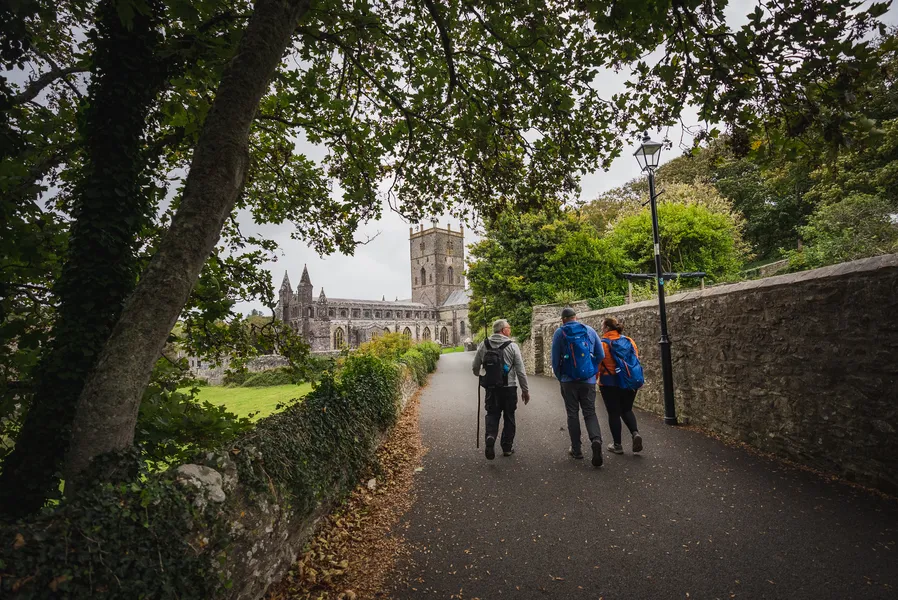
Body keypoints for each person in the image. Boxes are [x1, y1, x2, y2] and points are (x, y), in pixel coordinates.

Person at [551, 307, 605, 467]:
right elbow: (600, 354)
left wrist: (561, 377)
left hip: (568, 381)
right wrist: (593, 371)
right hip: (587, 380)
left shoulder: (560, 333)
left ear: (563, 320)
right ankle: (596, 440)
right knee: (590, 413)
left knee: (572, 414)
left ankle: (577, 449)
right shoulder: (589, 330)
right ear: (576, 317)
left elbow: (554, 360)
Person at [472, 319, 530, 460]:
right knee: (509, 416)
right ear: (503, 330)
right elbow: (520, 371)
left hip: (492, 388)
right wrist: (525, 390)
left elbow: (475, 367)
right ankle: (507, 447)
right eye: (508, 328)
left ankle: (490, 437)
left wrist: (483, 375)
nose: (510, 330)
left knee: (492, 414)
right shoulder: (512, 346)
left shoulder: (483, 345)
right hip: (509, 388)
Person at [598, 317, 644, 455]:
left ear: (606, 328)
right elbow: (635, 358)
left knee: (614, 413)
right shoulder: (629, 341)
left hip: (609, 382)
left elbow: (598, 365)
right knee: (627, 409)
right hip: (629, 381)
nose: (601, 328)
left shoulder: (602, 344)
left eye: (602, 326)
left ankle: (617, 445)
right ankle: (635, 433)